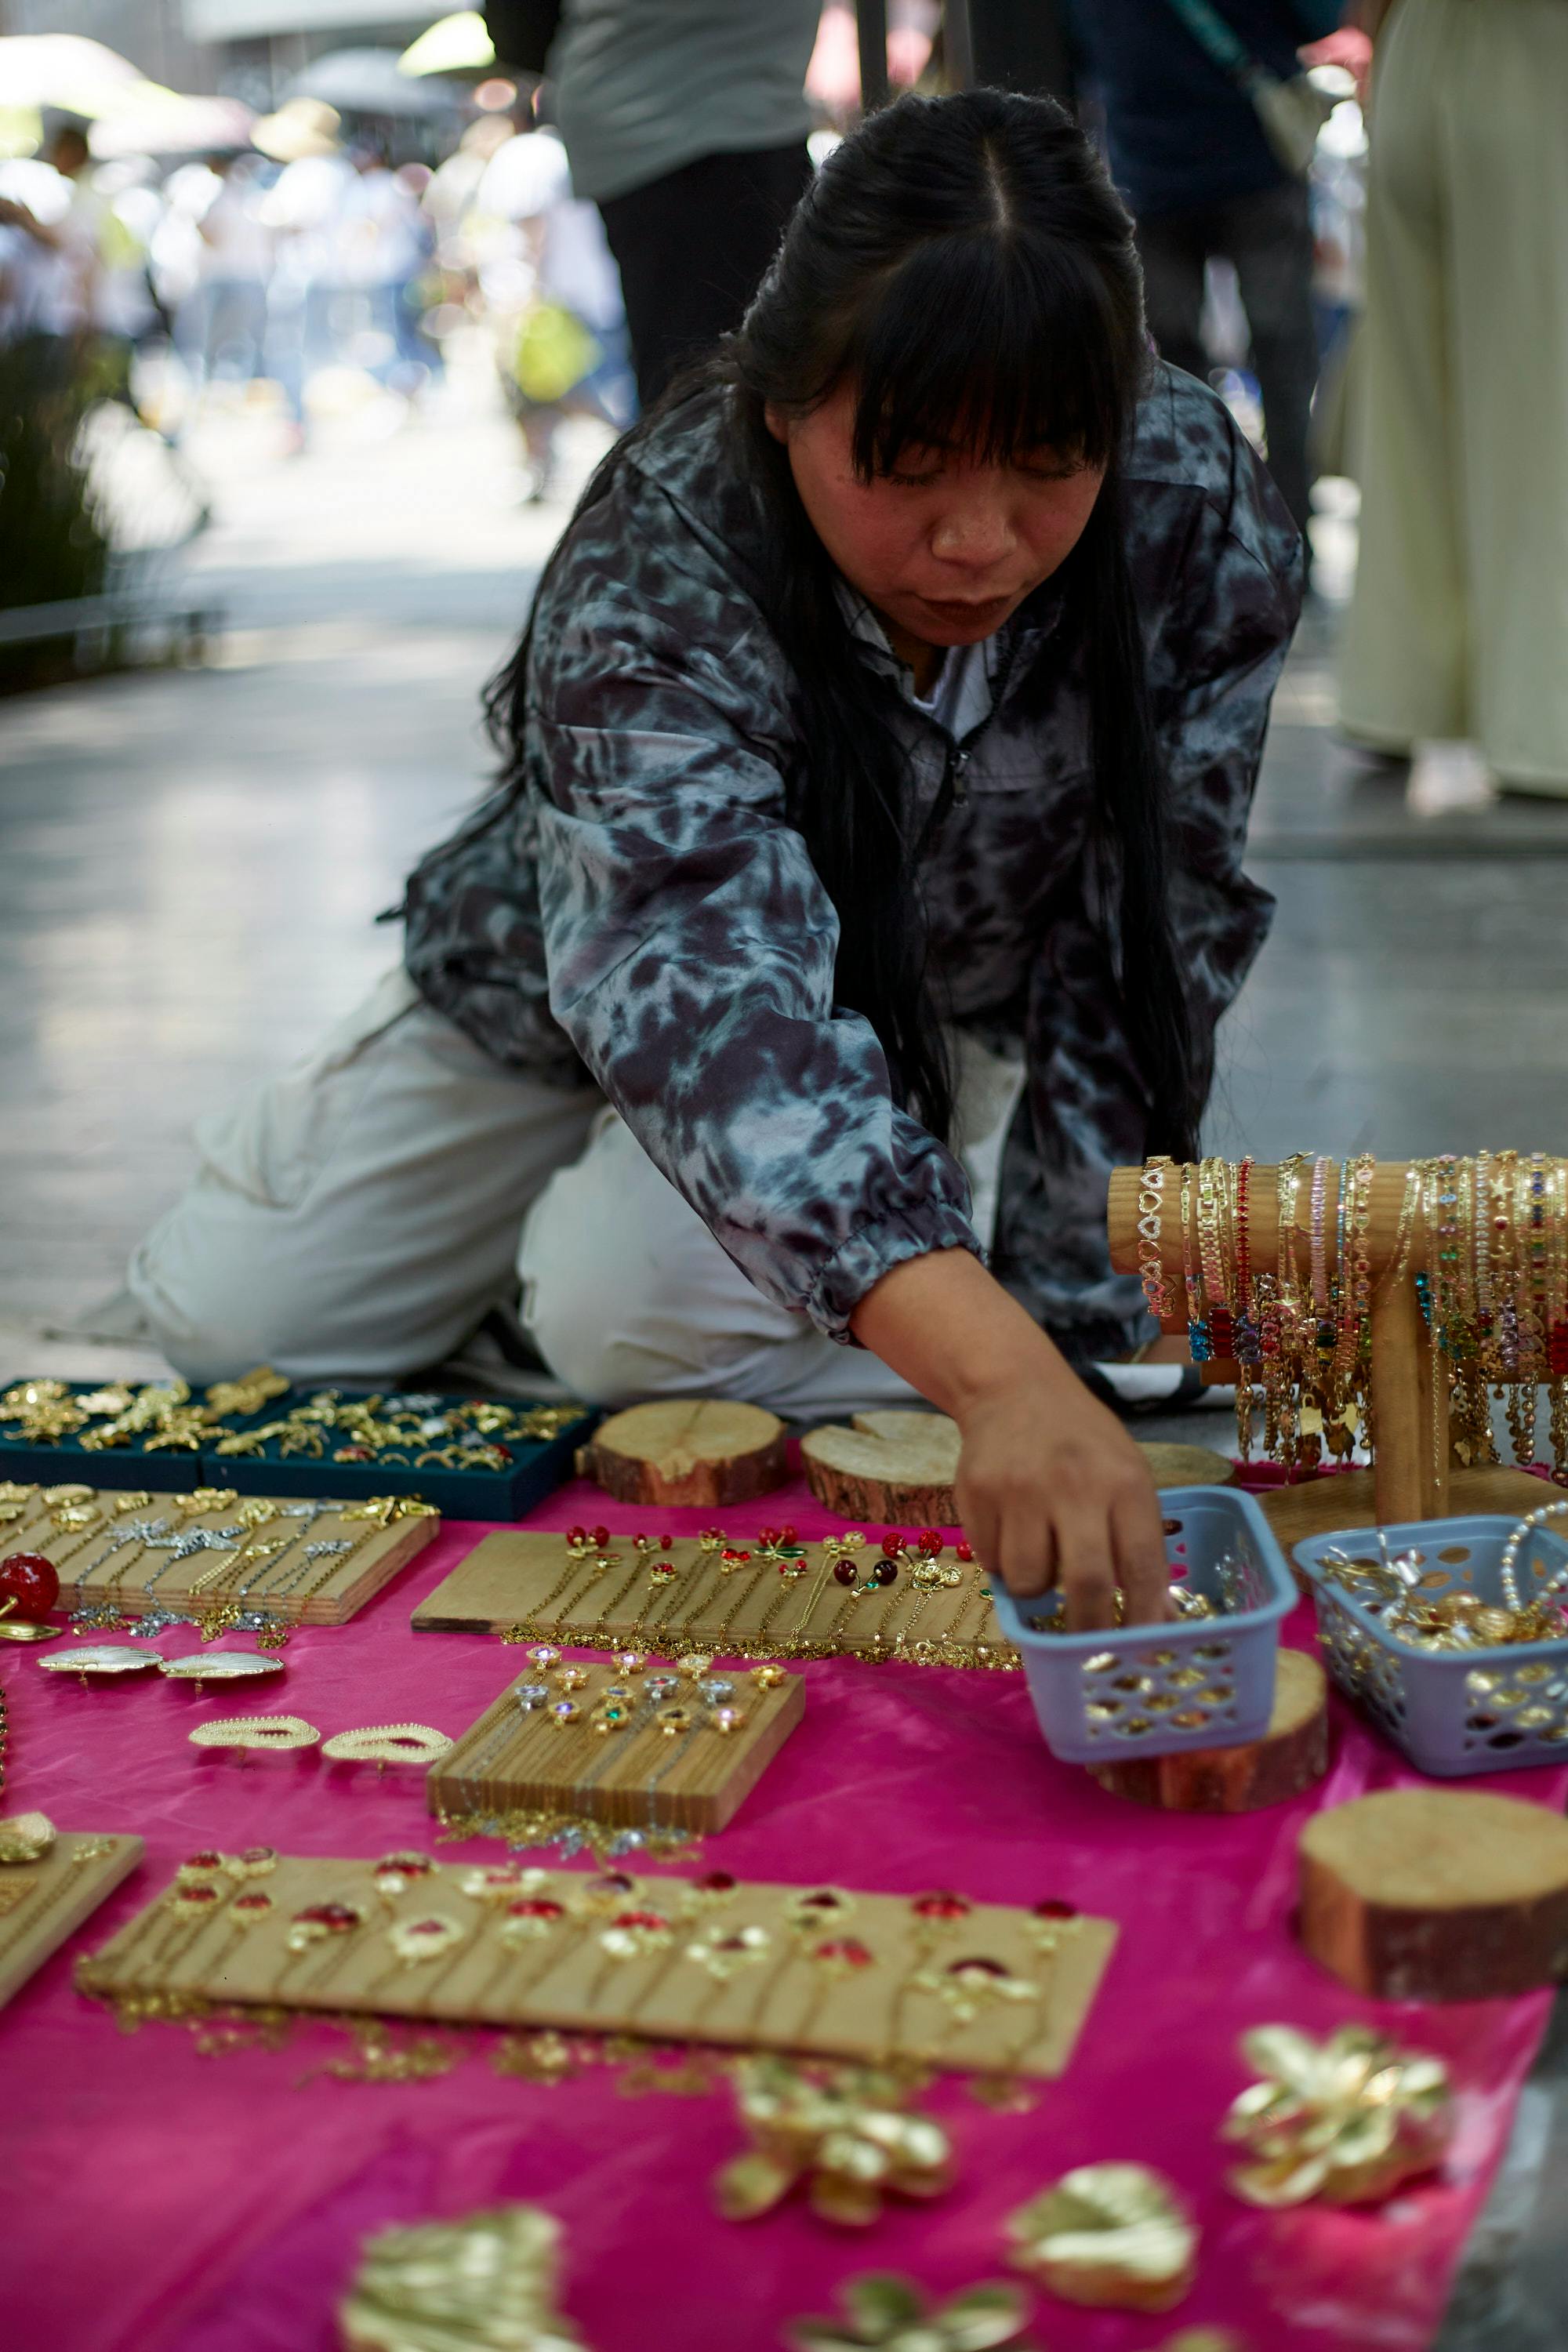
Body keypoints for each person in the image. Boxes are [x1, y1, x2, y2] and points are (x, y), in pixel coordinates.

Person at [125, 92, 1301, 1628]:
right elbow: (691, 983)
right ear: (777, 398)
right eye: (914, 461)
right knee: (242, 1327)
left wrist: (1062, 1341)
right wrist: (990, 1370)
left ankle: (614, 1266)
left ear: (1120, 410)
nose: (978, 541)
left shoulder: (1191, 513)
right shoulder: (662, 545)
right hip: (557, 995)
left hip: (908, 1016)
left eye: (1045, 467)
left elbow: (1147, 929)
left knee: (627, 1309)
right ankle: (540, 1252)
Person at [1339, 0, 1568, 802]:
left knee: (1408, 402)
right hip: (1537, 53)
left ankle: (1402, 691)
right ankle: (1544, 715)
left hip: (1414, 43)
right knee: (1538, 401)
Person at [1065, 0, 1353, 555]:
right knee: (1283, 358)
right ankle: (1292, 542)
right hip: (1254, 162)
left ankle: (1195, 549)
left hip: (1149, 172)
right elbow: (1321, 17)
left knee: (1170, 377)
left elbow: (1078, 52)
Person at [546, 0, 819, 406]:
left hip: (641, 118)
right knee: (718, 391)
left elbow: (517, 25)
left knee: (697, 381)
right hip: (715, 119)